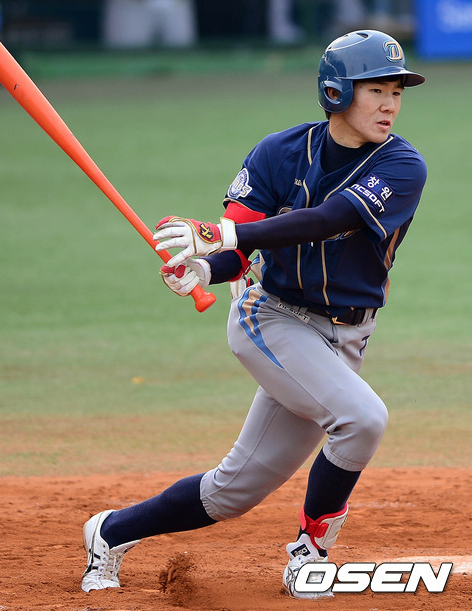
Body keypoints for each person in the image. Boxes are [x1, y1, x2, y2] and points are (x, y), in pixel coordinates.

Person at [81, 29, 426, 599]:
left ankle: (109, 531)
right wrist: (205, 268)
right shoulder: (278, 153)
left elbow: (328, 220)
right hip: (272, 320)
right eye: (376, 90)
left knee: (233, 491)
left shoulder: (402, 166)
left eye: (396, 92)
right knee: (363, 419)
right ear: (337, 93)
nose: (390, 104)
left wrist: (225, 237)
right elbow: (237, 251)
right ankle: (309, 556)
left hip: (344, 339)